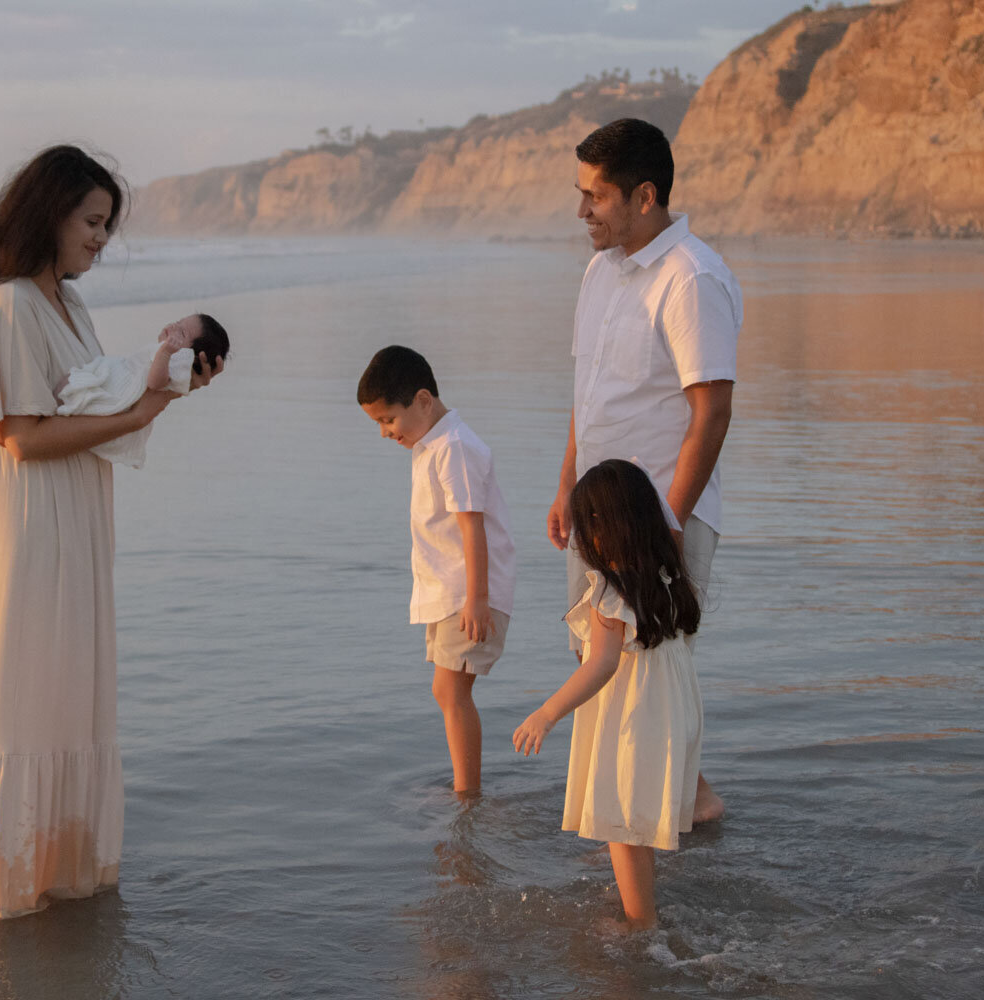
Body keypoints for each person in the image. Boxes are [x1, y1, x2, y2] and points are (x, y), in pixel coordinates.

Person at [0, 144, 220, 918]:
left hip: (73, 508)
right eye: (91, 220)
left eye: (108, 224)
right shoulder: (9, 303)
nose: (101, 238)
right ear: (48, 212)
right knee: (15, 691)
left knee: (64, 688)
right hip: (21, 516)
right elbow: (21, 434)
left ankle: (51, 872)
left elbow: (84, 408)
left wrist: (163, 386)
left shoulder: (67, 304)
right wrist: (146, 408)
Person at [546, 118, 741, 824]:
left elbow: (711, 413)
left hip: (658, 515)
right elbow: (589, 391)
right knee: (594, 657)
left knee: (649, 671)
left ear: (646, 196)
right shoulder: (600, 273)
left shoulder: (692, 280)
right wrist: (567, 483)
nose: (582, 212)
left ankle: (662, 822)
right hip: (597, 510)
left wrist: (666, 522)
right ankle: (678, 808)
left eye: (596, 197)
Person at [514, 459, 703, 928]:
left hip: (634, 718)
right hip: (669, 713)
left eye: (584, 525)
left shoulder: (611, 592)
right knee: (633, 820)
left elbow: (601, 663)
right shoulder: (667, 577)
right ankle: (642, 909)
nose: (580, 540)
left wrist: (548, 711)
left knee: (621, 823)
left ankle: (641, 925)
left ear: (605, 527)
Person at [358, 346, 517, 796]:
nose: (386, 432)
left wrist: (478, 599)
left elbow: (473, 525)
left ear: (423, 400)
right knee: (446, 691)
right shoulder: (432, 444)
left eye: (389, 420)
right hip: (452, 593)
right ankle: (465, 787)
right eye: (378, 424)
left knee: (451, 691)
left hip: (467, 595)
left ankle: (467, 793)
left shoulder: (455, 448)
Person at [57, 312, 230, 468]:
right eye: (178, 322)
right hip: (121, 375)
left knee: (84, 394)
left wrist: (165, 352)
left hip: (124, 389)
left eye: (182, 333)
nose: (174, 327)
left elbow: (155, 382)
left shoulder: (173, 357)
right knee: (81, 385)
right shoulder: (169, 351)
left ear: (188, 357)